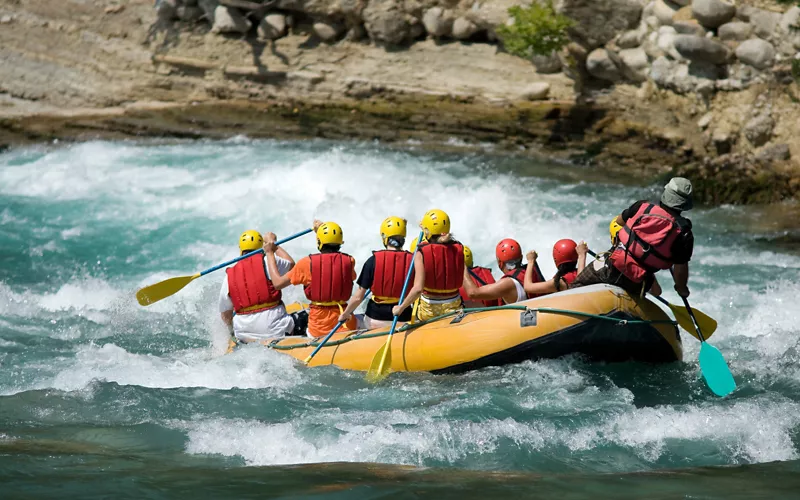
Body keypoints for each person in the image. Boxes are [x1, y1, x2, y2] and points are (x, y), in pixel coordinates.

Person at [570, 177, 694, 297]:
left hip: (611, 268)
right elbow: (680, 269)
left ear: (665, 194)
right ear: (685, 204)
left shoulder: (642, 207)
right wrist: (682, 289)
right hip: (640, 283)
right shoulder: (684, 234)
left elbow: (618, 222)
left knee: (577, 286)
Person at [264, 221, 358, 337]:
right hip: (346, 325)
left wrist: (270, 252)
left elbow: (277, 283)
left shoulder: (306, 263)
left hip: (319, 330)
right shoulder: (349, 261)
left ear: (319, 242)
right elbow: (331, 266)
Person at [219, 230, 296, 343]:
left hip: (244, 336)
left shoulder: (229, 276)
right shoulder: (269, 261)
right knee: (305, 316)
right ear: (262, 247)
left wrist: (232, 332)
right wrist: (273, 244)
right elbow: (291, 265)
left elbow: (226, 316)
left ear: (240, 249)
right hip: (276, 331)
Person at [338, 216, 414, 330]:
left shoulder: (372, 261)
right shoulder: (413, 260)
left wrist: (346, 313)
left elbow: (358, 297)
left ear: (384, 238)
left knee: (358, 320)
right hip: (403, 318)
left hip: (375, 320)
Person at [392, 209, 465, 321]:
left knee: (415, 307)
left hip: (429, 312)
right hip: (454, 307)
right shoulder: (458, 248)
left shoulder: (421, 252)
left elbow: (417, 289)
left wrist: (400, 308)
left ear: (427, 232)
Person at [461, 238, 544, 305]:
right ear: (521, 257)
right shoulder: (529, 271)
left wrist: (461, 264)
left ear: (500, 263)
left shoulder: (507, 284)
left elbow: (473, 293)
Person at [523, 239, 588, 296]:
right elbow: (580, 278)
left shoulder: (559, 283)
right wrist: (582, 255)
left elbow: (527, 287)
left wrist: (531, 261)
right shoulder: (582, 273)